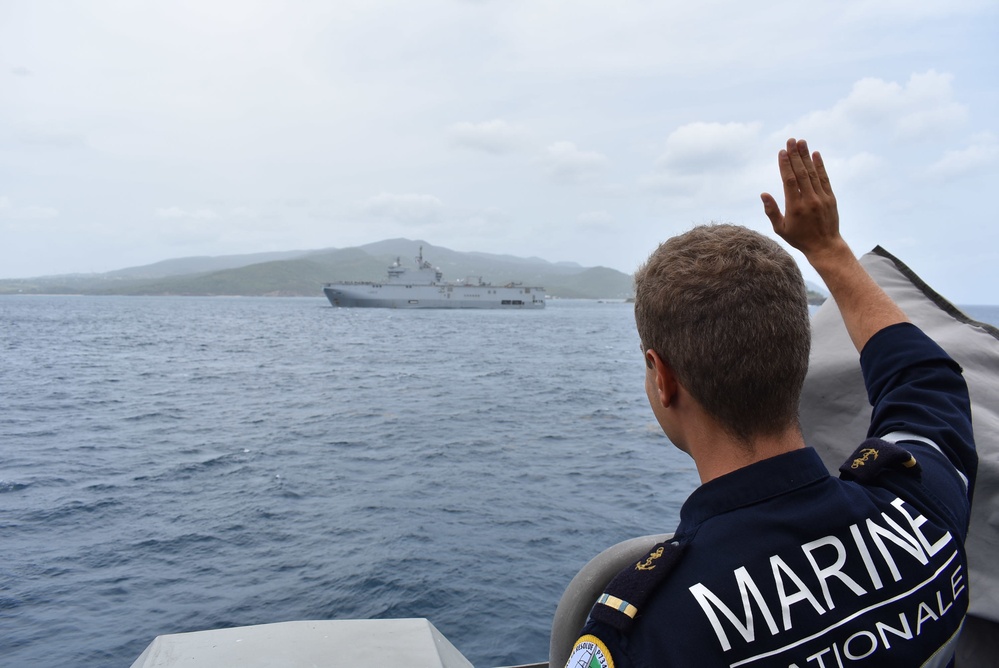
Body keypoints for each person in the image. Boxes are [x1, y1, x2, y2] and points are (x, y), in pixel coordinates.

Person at [565, 139, 978, 667]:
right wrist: (828, 249)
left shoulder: (647, 638)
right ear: (794, 358)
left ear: (663, 378)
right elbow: (926, 379)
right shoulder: (923, 509)